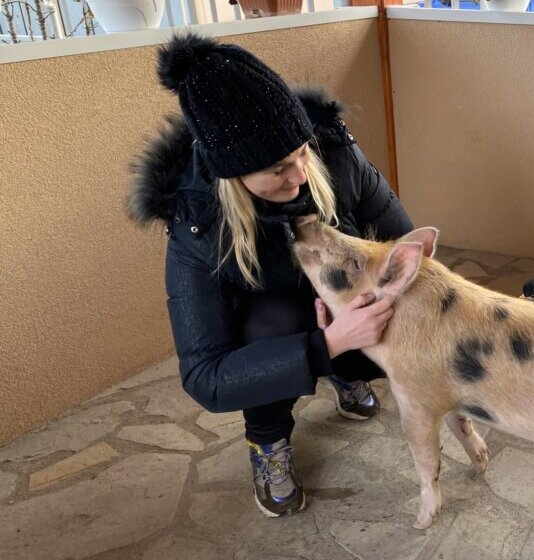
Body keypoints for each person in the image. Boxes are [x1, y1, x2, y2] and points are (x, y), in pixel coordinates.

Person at [128, 33, 413, 517]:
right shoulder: (196, 223)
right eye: (278, 168)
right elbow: (206, 376)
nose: (299, 175)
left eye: (302, 152)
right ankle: (268, 440)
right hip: (281, 327)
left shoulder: (334, 152)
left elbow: (404, 249)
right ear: (232, 173)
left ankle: (346, 373)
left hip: (347, 306)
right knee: (272, 321)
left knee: (408, 316)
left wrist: (367, 309)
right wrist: (328, 344)